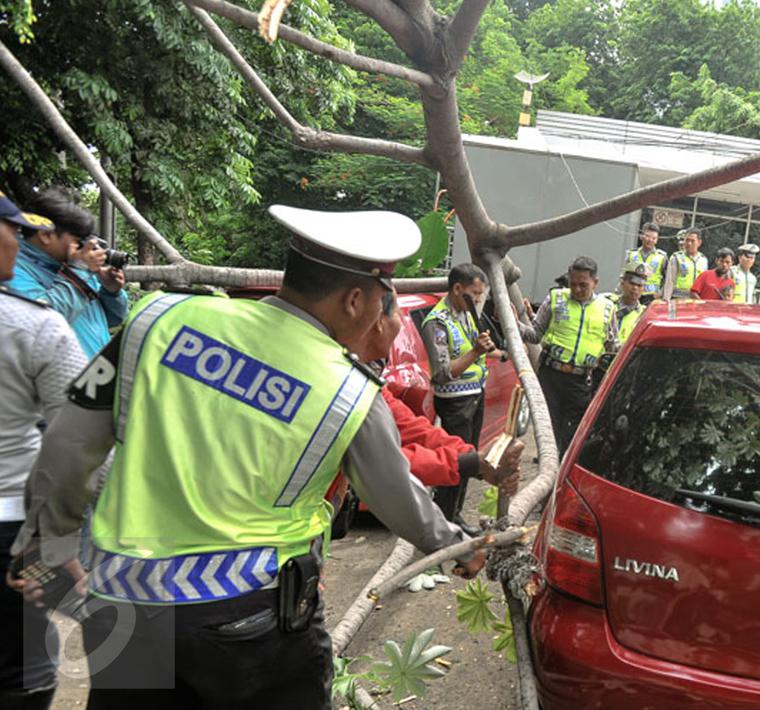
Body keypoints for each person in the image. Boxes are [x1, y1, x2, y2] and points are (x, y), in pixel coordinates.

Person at [9, 204, 485, 708]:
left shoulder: (159, 320)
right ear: (353, 300)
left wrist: (49, 542)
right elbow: (397, 497)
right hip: (251, 623)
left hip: (125, 604)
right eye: (380, 302)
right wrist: (459, 545)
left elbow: (67, 446)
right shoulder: (346, 390)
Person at [0, 191, 81, 710]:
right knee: (25, 669)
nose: (20, 242)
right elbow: (81, 433)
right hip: (16, 528)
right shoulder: (33, 322)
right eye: (15, 231)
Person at [356, 299, 522, 493]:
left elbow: (412, 428)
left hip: (474, 393)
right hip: (456, 398)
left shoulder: (467, 319)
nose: (400, 320)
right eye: (395, 312)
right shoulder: (437, 322)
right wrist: (474, 462)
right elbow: (384, 462)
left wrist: (477, 460)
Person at [420, 263, 500, 531]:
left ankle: (454, 514)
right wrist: (476, 352)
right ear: (457, 289)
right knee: (457, 462)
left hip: (474, 395)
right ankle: (443, 520)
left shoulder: (465, 313)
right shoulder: (437, 322)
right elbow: (441, 373)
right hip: (455, 402)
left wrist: (493, 351)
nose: (478, 300)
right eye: (475, 293)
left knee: (468, 459)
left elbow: (477, 349)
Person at [6, 188, 128, 358]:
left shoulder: (75, 265)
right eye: (78, 241)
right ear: (46, 235)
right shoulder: (10, 270)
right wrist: (78, 275)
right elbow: (39, 325)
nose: (85, 247)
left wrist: (111, 291)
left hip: (93, 376)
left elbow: (114, 320)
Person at [519, 256, 616, 454]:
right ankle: (548, 475)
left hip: (581, 382)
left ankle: (561, 477)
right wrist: (512, 322)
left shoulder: (607, 308)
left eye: (583, 285)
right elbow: (535, 334)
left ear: (595, 283)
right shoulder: (556, 298)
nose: (577, 290)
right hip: (551, 377)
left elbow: (613, 345)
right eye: (573, 284)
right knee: (548, 434)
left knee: (572, 437)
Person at [622, 222, 666, 304]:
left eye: (654, 238)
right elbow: (624, 274)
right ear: (641, 236)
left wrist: (660, 293)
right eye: (648, 236)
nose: (650, 240)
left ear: (657, 240)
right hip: (632, 292)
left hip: (651, 295)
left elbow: (667, 279)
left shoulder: (662, 257)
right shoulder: (631, 254)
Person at [605, 263, 648, 348]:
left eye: (639, 285)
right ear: (622, 283)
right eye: (632, 283)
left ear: (644, 289)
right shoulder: (607, 303)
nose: (635, 288)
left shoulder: (644, 314)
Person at [661, 228, 707, 300]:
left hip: (696, 298)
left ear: (699, 242)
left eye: (692, 241)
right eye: (687, 240)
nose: (689, 243)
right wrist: (666, 300)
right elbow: (670, 281)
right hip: (678, 297)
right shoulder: (676, 258)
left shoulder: (703, 259)